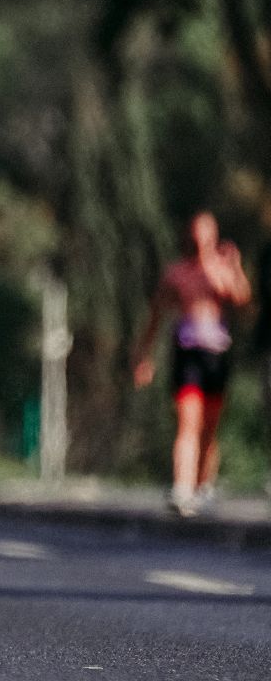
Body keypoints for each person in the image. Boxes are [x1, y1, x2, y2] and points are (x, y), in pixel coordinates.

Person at [134, 211, 251, 516]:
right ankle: (182, 487)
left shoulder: (222, 272)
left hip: (216, 354)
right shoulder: (176, 274)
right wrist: (143, 356)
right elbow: (155, 316)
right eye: (197, 235)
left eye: (207, 235)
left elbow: (243, 302)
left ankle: (202, 484)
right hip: (187, 352)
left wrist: (235, 268)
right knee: (188, 420)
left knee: (209, 427)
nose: (202, 241)